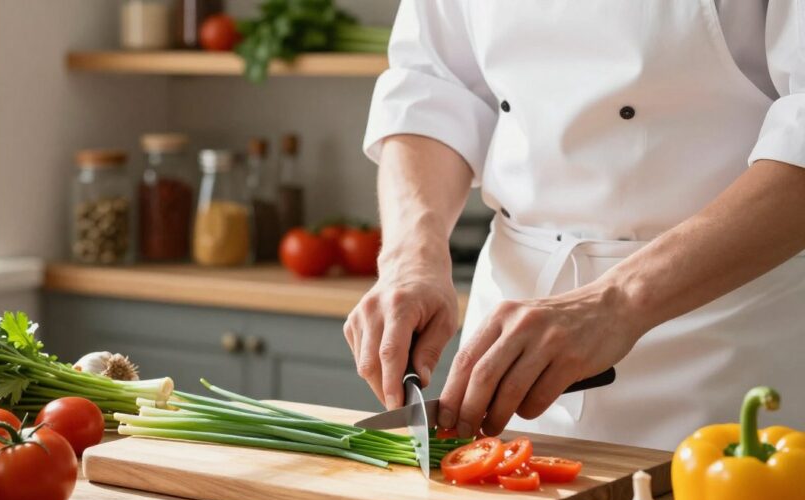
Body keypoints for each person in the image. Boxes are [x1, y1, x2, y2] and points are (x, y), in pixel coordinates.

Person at [345, 0, 805, 450]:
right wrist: (411, 258)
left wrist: (619, 300)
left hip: (722, 340)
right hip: (511, 333)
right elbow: (433, 87)